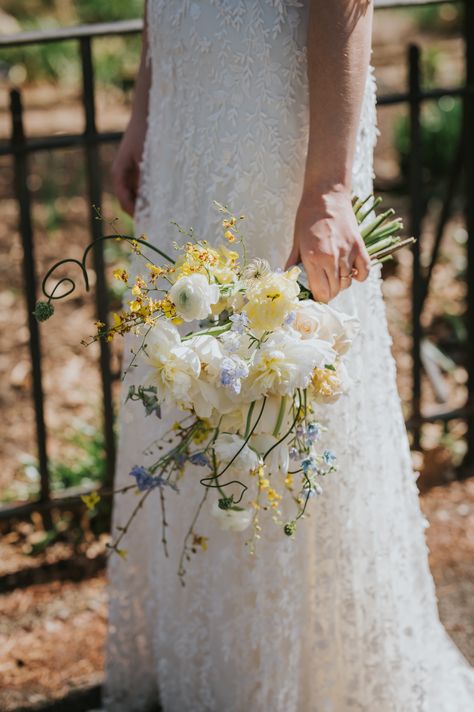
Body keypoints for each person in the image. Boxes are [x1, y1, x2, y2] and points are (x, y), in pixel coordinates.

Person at [105, 2, 474, 710]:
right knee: (190, 369)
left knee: (282, 373)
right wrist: (145, 110)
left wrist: (330, 183)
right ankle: (221, 656)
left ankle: (310, 673)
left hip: (274, 115)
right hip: (189, 110)